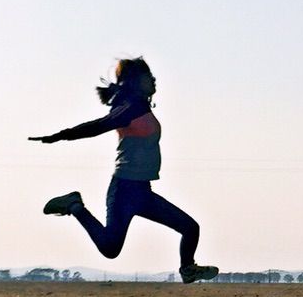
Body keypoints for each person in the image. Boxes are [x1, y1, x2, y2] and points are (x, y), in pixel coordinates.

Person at [30, 58, 219, 283]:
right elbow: (98, 126)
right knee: (110, 248)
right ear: (136, 82)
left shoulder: (139, 106)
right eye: (148, 77)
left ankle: (188, 269)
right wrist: (61, 135)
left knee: (190, 228)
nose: (154, 80)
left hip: (142, 191)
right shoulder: (131, 109)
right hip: (124, 190)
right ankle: (74, 206)